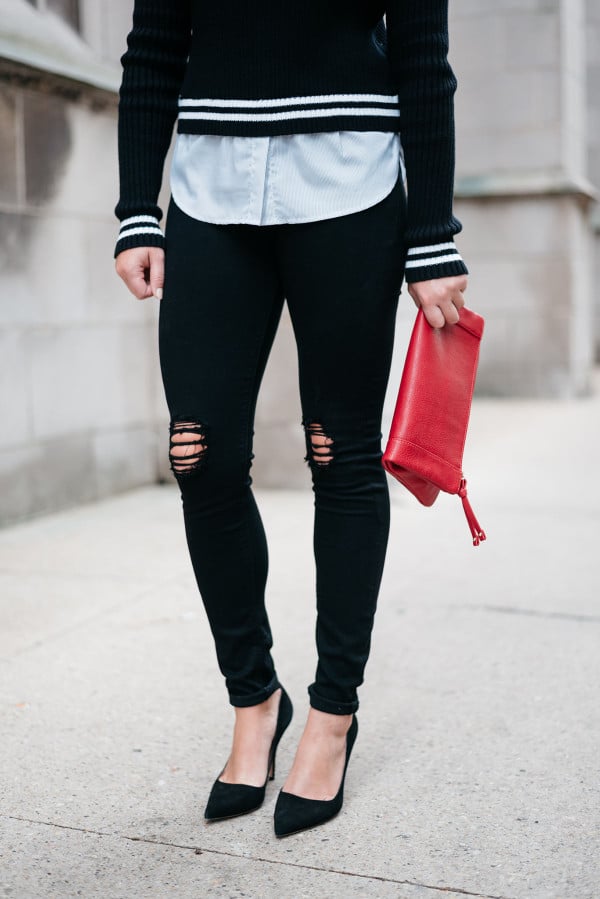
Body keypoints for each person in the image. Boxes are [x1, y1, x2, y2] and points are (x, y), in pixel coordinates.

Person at [114, 0, 468, 838]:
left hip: (350, 179)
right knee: (198, 452)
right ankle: (253, 696)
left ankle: (332, 713)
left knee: (338, 450)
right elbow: (153, 46)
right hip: (207, 185)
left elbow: (422, 56)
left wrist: (433, 233)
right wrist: (137, 205)